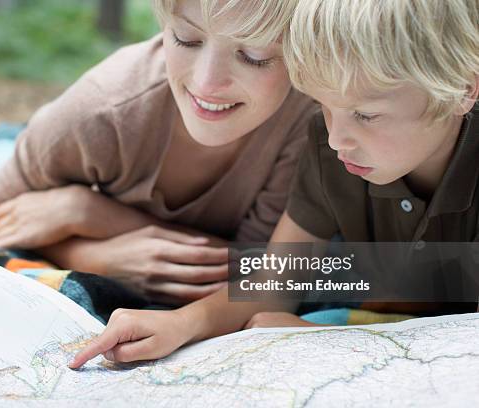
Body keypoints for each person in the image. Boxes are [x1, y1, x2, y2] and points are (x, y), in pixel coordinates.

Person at [69, 0, 479, 367]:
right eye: (323, 105)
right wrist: (181, 324)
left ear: (463, 88)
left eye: (366, 115)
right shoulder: (331, 148)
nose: (337, 139)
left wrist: (331, 339)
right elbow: (280, 280)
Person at [0, 0, 314, 305]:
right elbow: (0, 208)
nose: (207, 82)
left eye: (254, 56)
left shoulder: (309, 121)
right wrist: (89, 257)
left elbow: (265, 266)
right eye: (185, 38)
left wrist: (90, 213)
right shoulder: (100, 111)